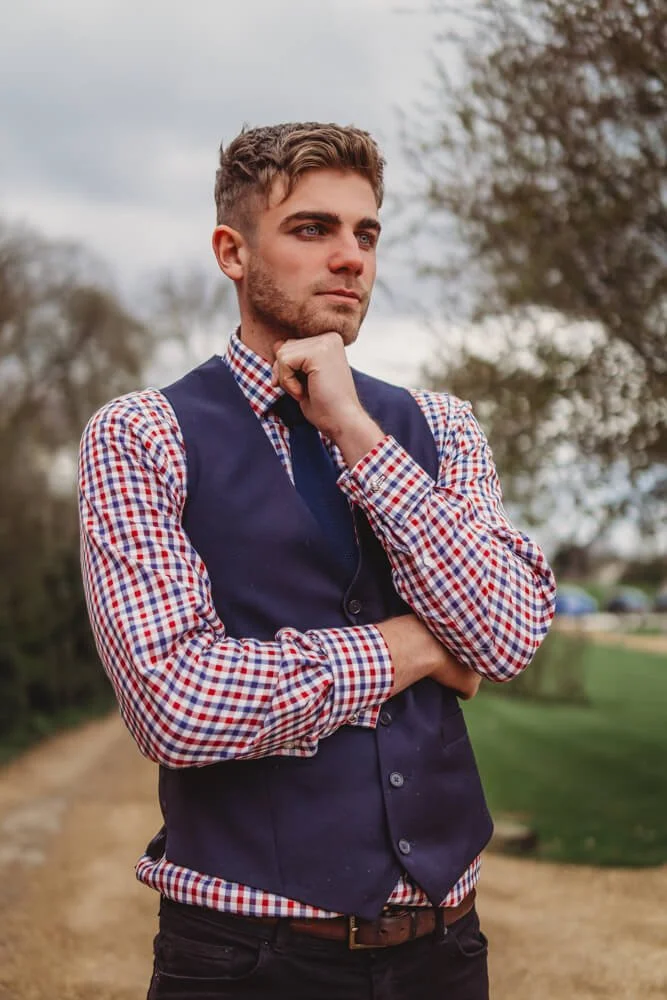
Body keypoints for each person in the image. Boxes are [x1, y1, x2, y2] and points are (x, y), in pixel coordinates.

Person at [78, 121, 556, 1000]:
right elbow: (175, 705)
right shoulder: (143, 434)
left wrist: (355, 433)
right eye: (312, 229)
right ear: (232, 252)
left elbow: (510, 636)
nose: (349, 258)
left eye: (365, 233)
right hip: (243, 957)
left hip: (445, 949)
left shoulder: (439, 426)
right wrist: (418, 646)